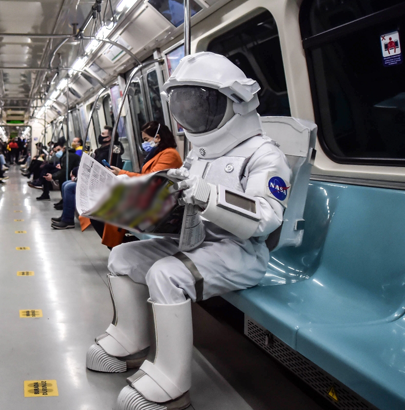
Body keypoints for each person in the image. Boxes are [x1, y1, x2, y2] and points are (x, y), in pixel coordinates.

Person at [86, 52, 292, 410]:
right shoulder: (199, 153)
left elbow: (266, 217)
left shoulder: (265, 154)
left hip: (242, 251)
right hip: (198, 240)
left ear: (236, 103)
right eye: (186, 105)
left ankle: (172, 380)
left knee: (168, 274)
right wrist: (147, 205)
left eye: (201, 104)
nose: (192, 114)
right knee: (123, 256)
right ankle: (130, 339)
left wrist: (208, 196)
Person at [99, 122, 183, 248]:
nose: (144, 144)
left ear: (158, 138)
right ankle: (118, 244)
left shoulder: (169, 154)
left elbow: (152, 178)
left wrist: (122, 173)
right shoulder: (156, 153)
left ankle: (121, 245)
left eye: (146, 140)